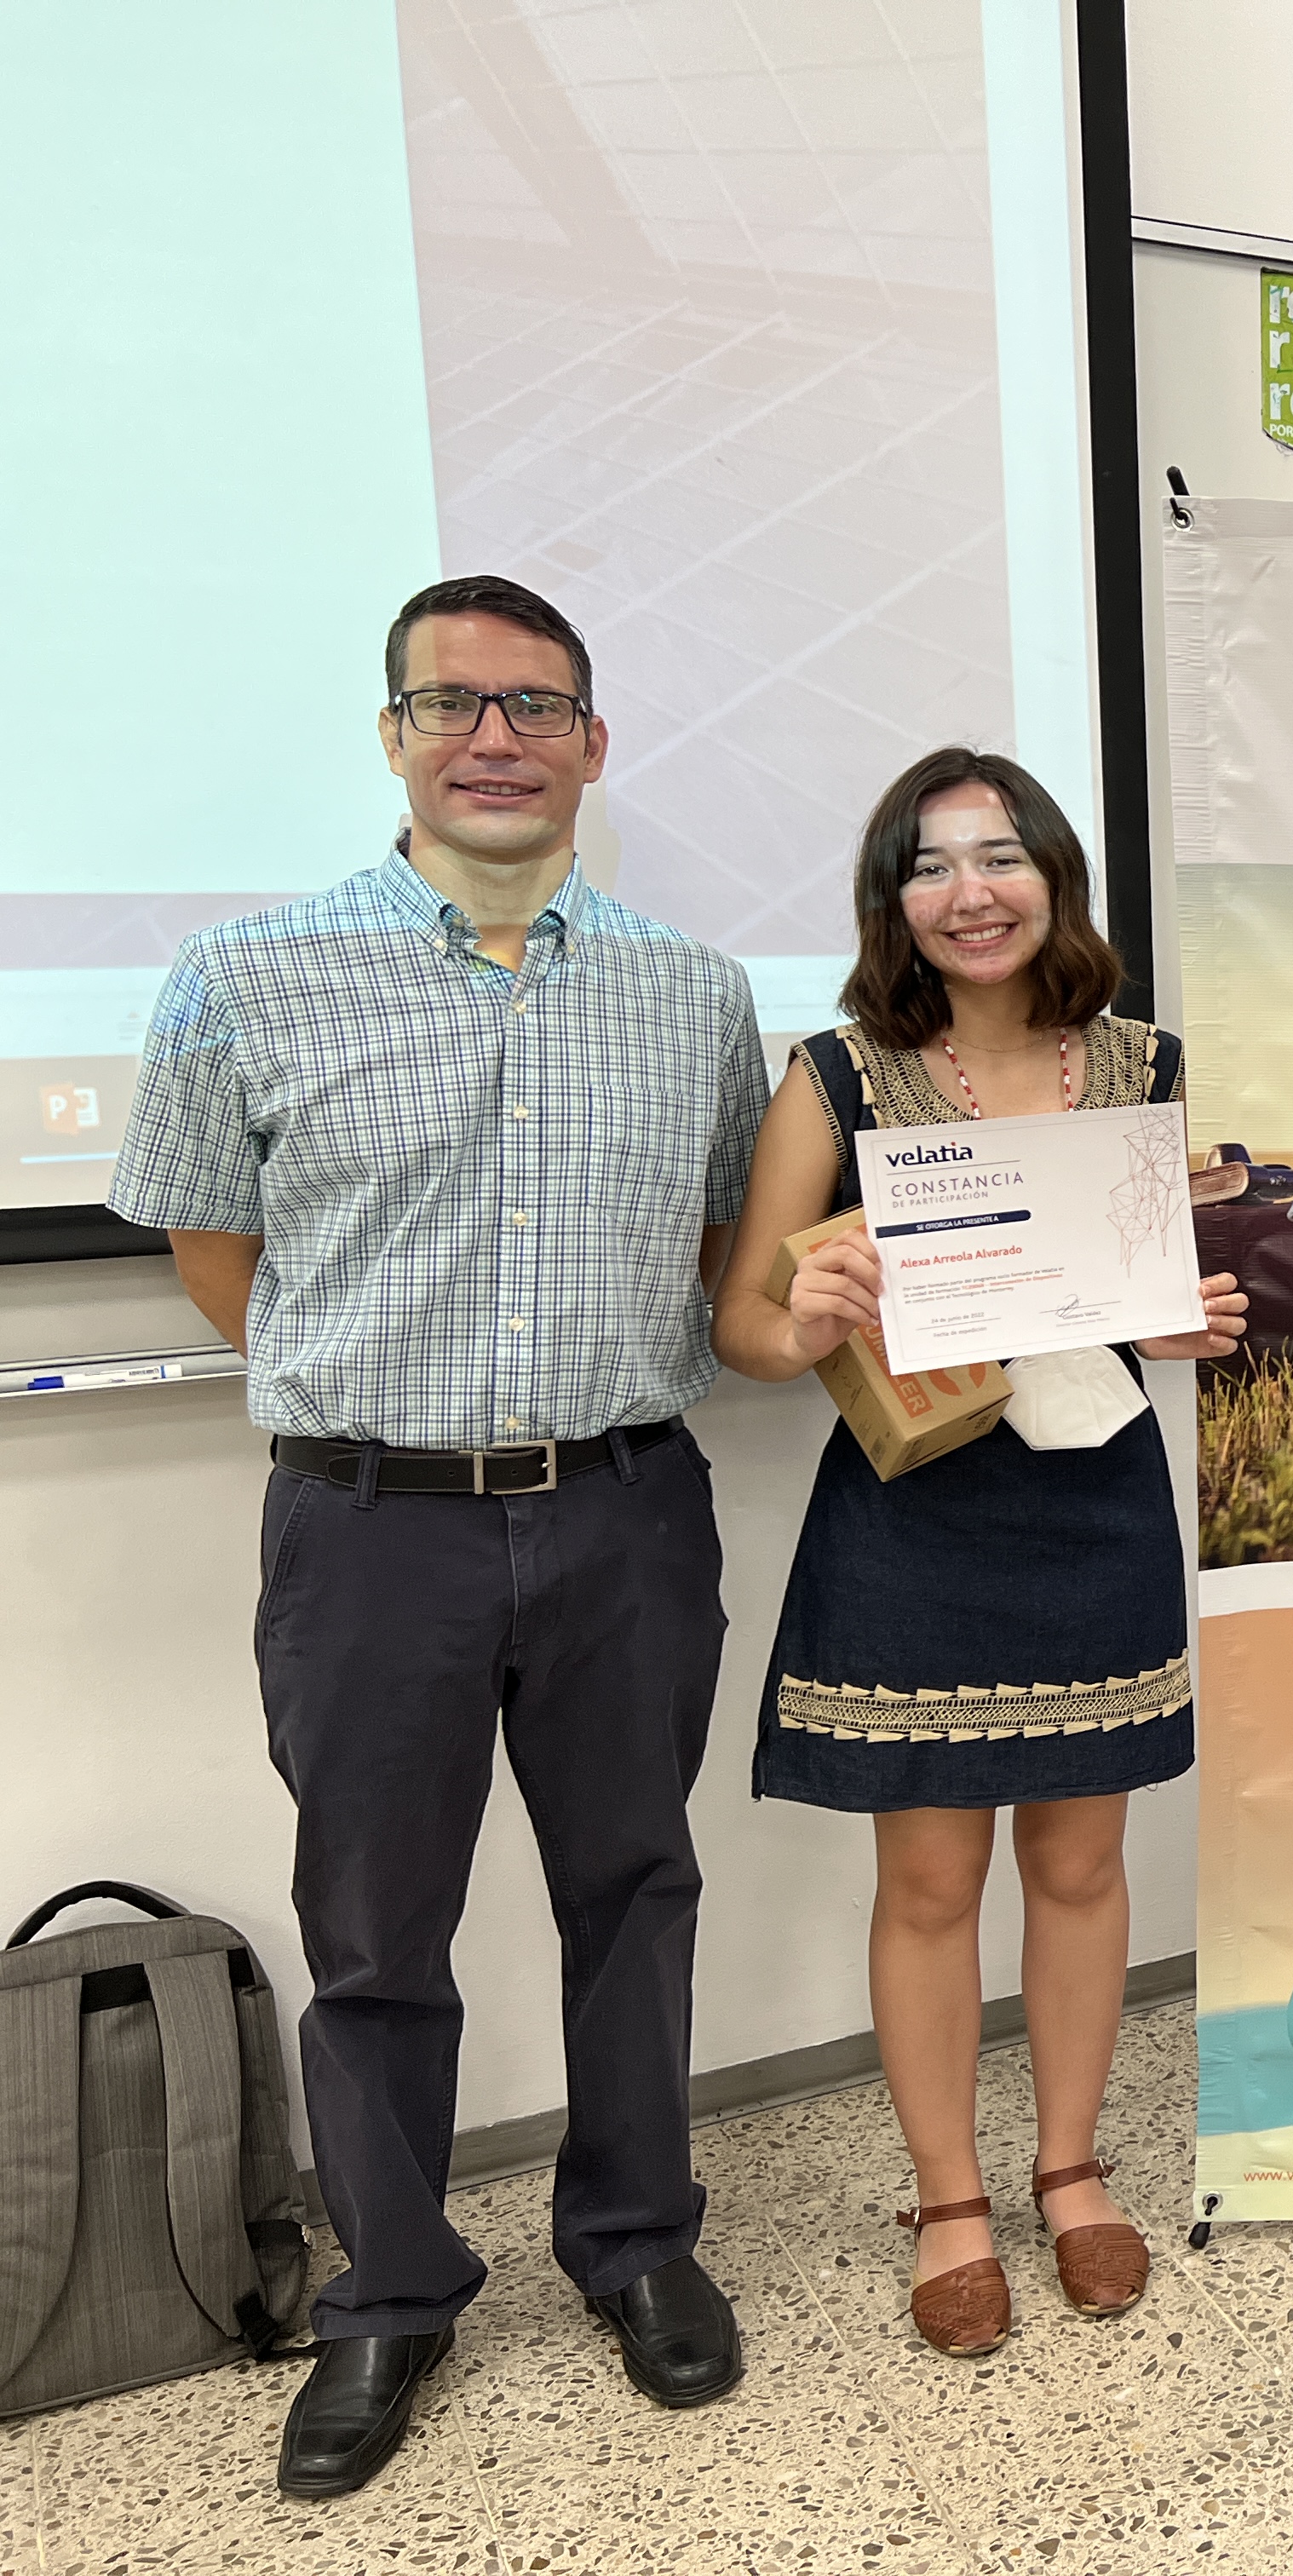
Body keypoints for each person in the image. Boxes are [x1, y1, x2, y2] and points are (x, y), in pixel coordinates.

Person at [110, 575, 768, 2497]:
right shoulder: (249, 978)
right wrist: (367, 1394)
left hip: (628, 1512)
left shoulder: (691, 990)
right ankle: (390, 2294)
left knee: (634, 1893)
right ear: (392, 734)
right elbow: (215, 1250)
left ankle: (639, 2244)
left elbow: (731, 1240)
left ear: (593, 744)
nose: (498, 736)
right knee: (374, 1932)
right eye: (455, 703)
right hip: (368, 1528)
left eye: (538, 706)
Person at [712, 748, 1244, 2360]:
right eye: (931, 867)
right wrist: (800, 1317)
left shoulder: (1149, 1063)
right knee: (930, 1875)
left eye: (999, 856)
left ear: (1053, 874)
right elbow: (743, 1323)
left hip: (1095, 1501)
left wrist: (1198, 1321)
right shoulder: (839, 1073)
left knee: (1083, 1863)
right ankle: (950, 2197)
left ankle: (1069, 2167)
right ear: (894, 902)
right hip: (915, 1511)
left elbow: (1172, 1290)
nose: (972, 892)